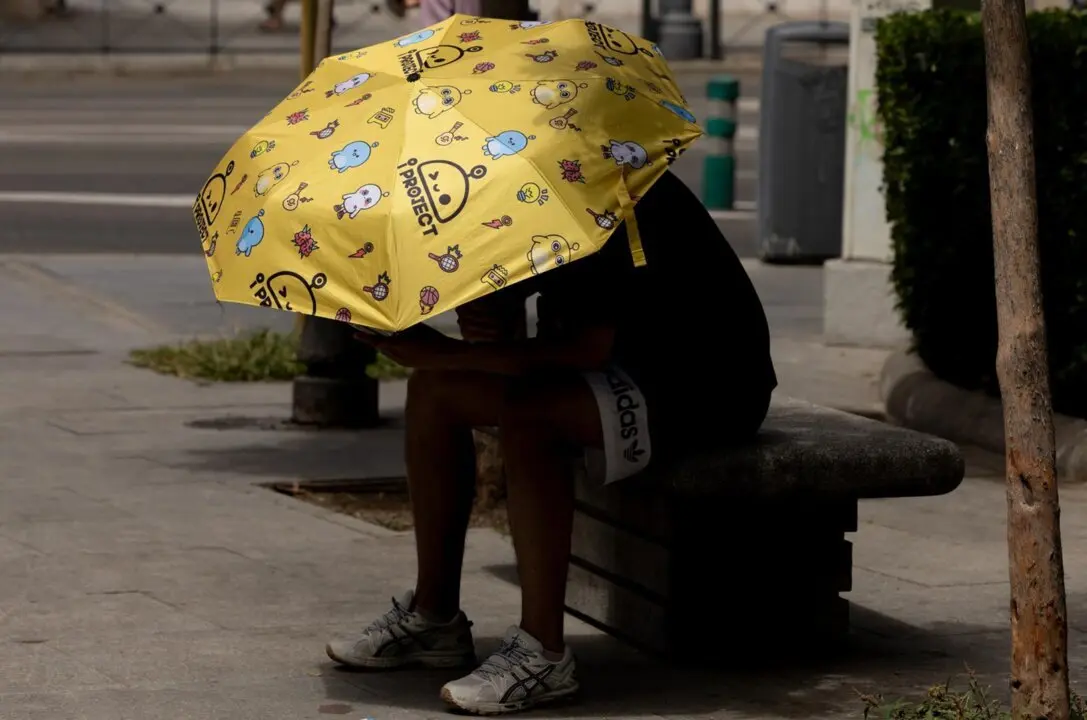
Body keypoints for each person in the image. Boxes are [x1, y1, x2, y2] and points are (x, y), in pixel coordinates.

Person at [325, 170, 777, 715]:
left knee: (530, 412)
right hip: (620, 366)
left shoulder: (613, 190)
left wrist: (453, 354)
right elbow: (517, 337)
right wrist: (485, 317)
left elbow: (585, 349)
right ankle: (434, 617)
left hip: (703, 385)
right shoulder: (518, 189)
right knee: (434, 392)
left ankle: (543, 653)